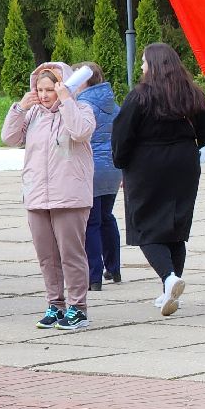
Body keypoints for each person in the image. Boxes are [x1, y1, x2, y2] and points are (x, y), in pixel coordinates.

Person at [111, 42, 205, 317]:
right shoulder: (192, 93)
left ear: (154, 65)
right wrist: (188, 148)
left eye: (145, 62)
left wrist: (121, 163)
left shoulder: (140, 96)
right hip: (184, 163)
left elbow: (122, 134)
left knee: (145, 226)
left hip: (147, 164)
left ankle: (169, 278)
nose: (143, 67)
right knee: (175, 225)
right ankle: (169, 289)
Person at [1, 63, 97, 332]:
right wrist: (20, 107)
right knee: (47, 257)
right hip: (37, 195)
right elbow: (9, 138)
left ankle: (78, 309)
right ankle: (55, 305)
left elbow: (79, 132)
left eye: (50, 89)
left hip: (70, 196)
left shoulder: (82, 110)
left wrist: (66, 99)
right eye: (39, 89)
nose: (44, 95)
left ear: (62, 87)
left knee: (71, 255)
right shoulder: (33, 115)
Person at [75, 61, 122, 291]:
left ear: (84, 80)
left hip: (90, 169)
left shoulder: (81, 104)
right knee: (107, 217)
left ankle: (93, 277)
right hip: (112, 169)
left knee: (90, 223)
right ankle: (114, 267)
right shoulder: (112, 103)